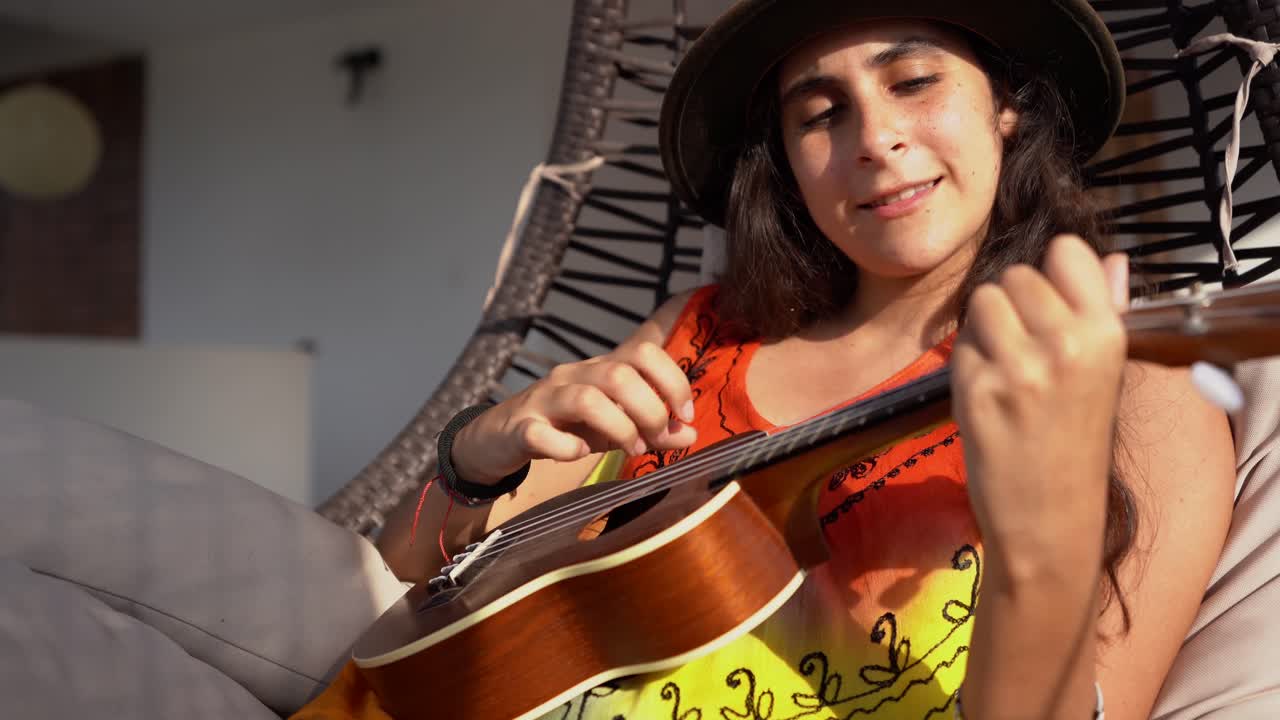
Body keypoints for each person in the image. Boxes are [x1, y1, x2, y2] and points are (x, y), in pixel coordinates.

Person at [298, 1, 1236, 718]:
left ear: (1005, 111)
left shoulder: (1135, 390)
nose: (875, 141)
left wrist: (1044, 535)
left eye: (913, 82)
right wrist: (476, 456)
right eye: (820, 113)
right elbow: (401, 599)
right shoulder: (699, 334)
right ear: (786, 158)